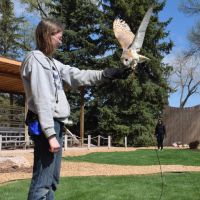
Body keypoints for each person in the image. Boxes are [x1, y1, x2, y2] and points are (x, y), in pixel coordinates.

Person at [20, 18, 133, 200]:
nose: (61, 41)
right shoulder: (36, 60)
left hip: (54, 124)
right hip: (45, 125)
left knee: (51, 181)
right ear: (47, 36)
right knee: (42, 182)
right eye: (59, 37)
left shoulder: (52, 63)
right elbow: (42, 99)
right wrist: (50, 135)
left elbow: (78, 75)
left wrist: (107, 74)